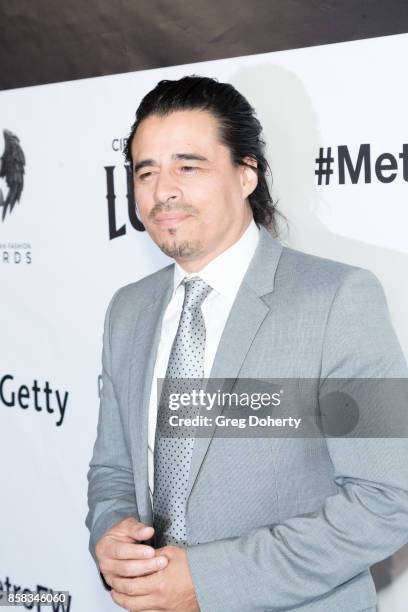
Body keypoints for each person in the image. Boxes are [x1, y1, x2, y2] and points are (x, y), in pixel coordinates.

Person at [86, 75, 408, 611]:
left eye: (188, 166)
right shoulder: (128, 310)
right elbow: (113, 470)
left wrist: (208, 581)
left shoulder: (340, 298)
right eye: (146, 171)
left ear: (245, 174)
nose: (163, 189)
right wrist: (111, 532)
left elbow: (390, 498)